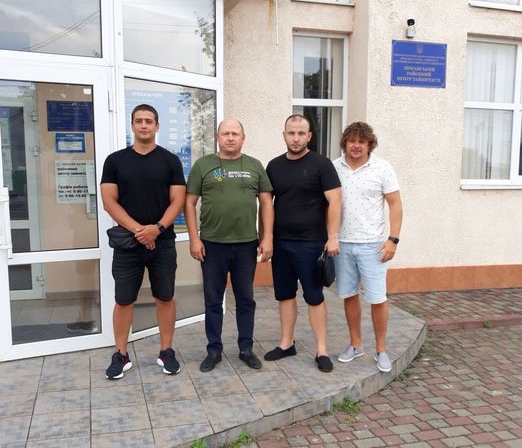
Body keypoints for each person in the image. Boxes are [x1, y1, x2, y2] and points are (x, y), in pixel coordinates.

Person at [101, 104, 186, 379]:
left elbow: (178, 201)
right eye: (139, 121)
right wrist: (141, 231)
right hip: (128, 244)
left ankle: (166, 351)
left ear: (157, 126)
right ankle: (120, 354)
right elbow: (109, 202)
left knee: (165, 297)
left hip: (163, 243)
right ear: (132, 126)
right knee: (124, 300)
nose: (144, 125)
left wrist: (157, 229)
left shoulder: (170, 161)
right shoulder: (115, 161)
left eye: (149, 121)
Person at [185, 119, 274, 372]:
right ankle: (214, 350)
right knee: (213, 300)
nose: (231, 137)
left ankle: (246, 348)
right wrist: (194, 238)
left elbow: (266, 203)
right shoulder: (203, 165)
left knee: (245, 299)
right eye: (226, 133)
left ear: (243, 138)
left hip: (246, 244)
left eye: (235, 133)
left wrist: (267, 237)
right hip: (212, 245)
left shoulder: (254, 166)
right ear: (218, 137)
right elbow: (189, 203)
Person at [264, 114, 341, 373]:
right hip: (281, 244)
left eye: (300, 134)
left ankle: (322, 350)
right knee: (285, 295)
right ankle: (287, 343)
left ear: (309, 136)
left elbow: (335, 201)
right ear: (284, 135)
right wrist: (266, 238)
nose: (295, 138)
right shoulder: (274, 166)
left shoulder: (322, 164)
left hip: (311, 244)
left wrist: (332, 237)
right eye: (291, 133)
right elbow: (266, 205)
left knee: (314, 297)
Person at [333, 122, 403, 373]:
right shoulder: (334, 168)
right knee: (350, 295)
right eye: (352, 140)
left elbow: (395, 204)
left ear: (369, 144)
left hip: (373, 246)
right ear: (345, 143)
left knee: (377, 298)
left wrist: (393, 239)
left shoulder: (382, 168)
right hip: (342, 244)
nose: (356, 146)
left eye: (361, 141)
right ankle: (355, 345)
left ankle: (381, 350)